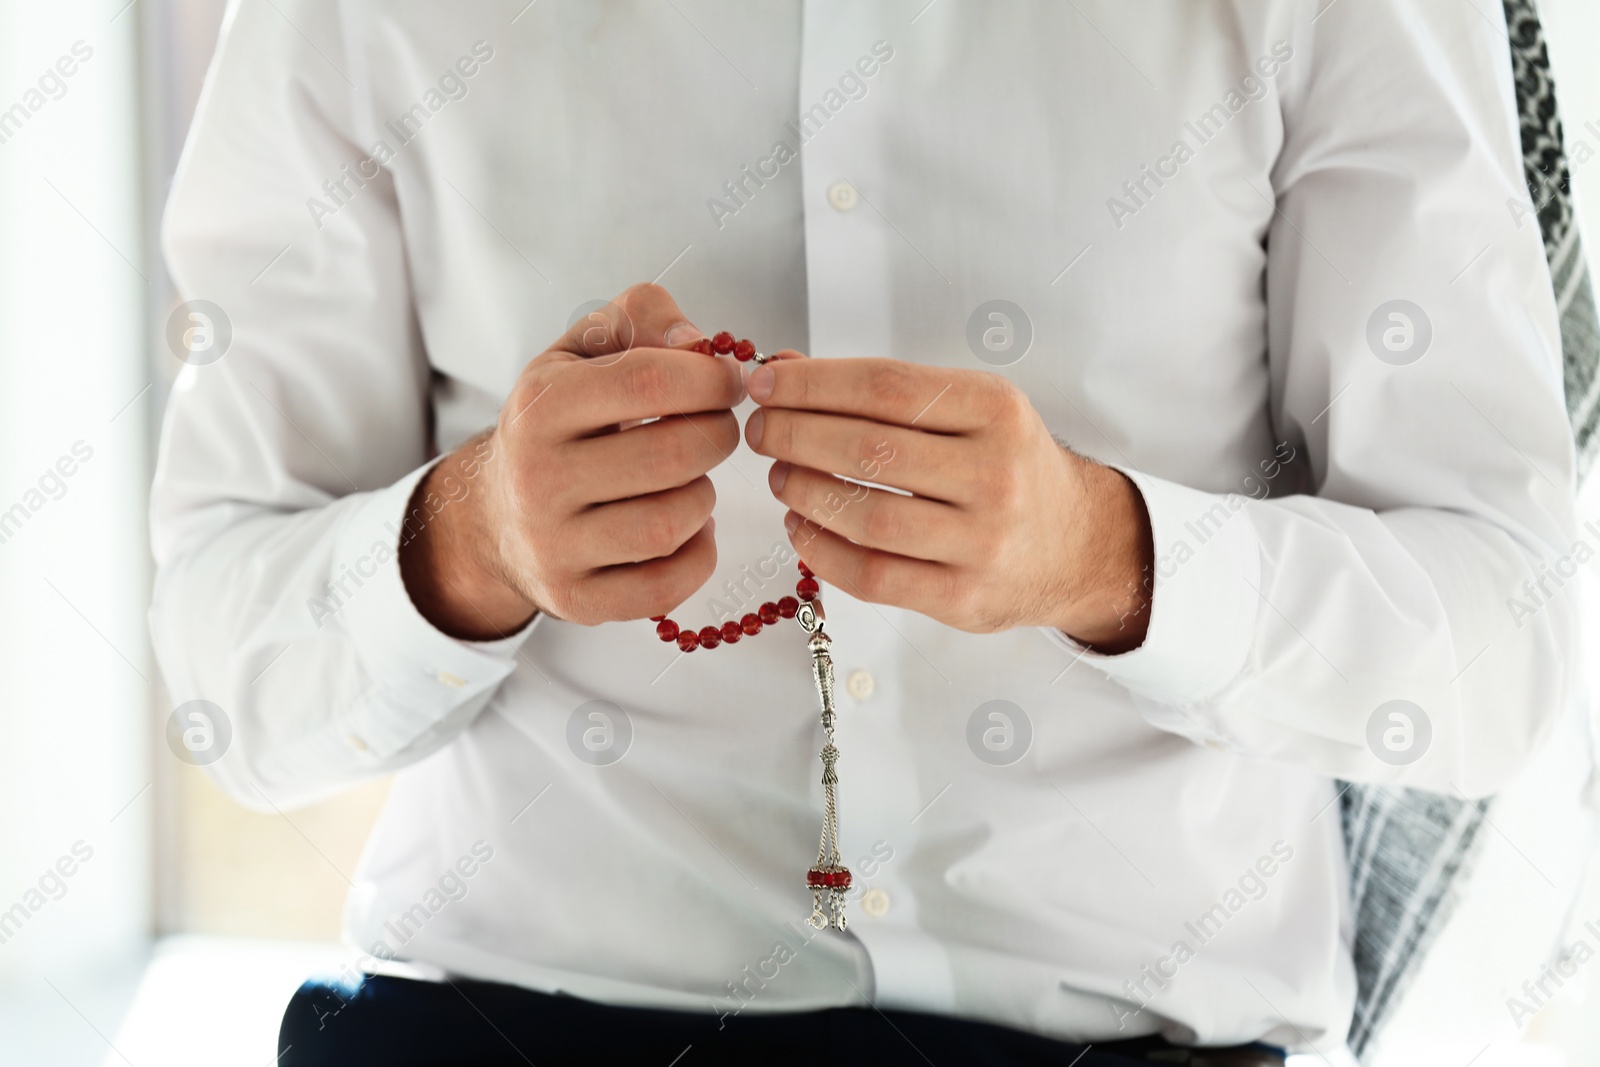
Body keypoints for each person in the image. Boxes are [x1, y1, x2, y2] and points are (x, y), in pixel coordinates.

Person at [150, 2, 1580, 1064]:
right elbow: (222, 687)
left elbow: (1495, 654)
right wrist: (466, 547)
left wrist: (1114, 557)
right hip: (500, 1026)